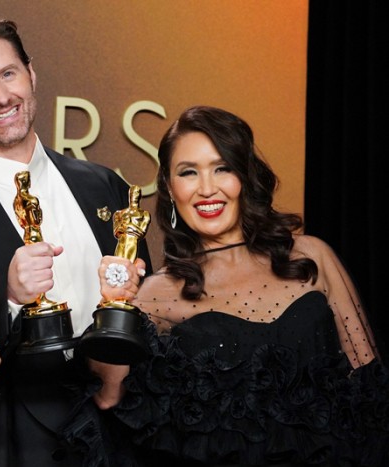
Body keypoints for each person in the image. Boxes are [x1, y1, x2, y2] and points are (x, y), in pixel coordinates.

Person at [62, 105, 389, 466]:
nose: (207, 189)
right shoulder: (156, 293)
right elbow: (108, 398)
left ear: (245, 175)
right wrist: (114, 304)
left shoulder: (312, 256)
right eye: (188, 172)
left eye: (222, 168)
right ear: (169, 187)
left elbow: (371, 392)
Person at [0, 15, 152, 467]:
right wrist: (9, 298)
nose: (1, 97)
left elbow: (142, 310)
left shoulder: (104, 187)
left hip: (124, 433)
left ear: (31, 74)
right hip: (13, 443)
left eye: (8, 74)